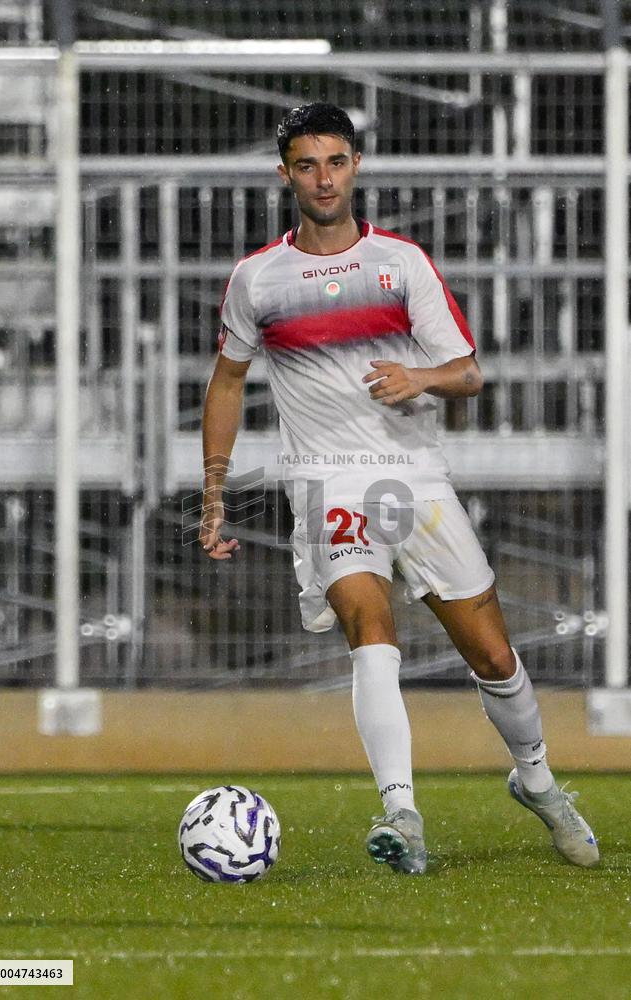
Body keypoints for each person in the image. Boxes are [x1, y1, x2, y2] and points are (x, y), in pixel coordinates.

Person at [199, 102, 598, 874]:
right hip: (324, 485)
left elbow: (468, 373)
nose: (323, 178)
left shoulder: (401, 264)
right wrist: (212, 491)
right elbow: (226, 380)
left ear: (356, 167)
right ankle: (401, 815)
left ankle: (539, 782)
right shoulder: (257, 279)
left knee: (491, 655)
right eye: (307, 164)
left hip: (413, 479)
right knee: (368, 631)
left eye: (336, 161)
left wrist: (417, 375)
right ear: (284, 173)